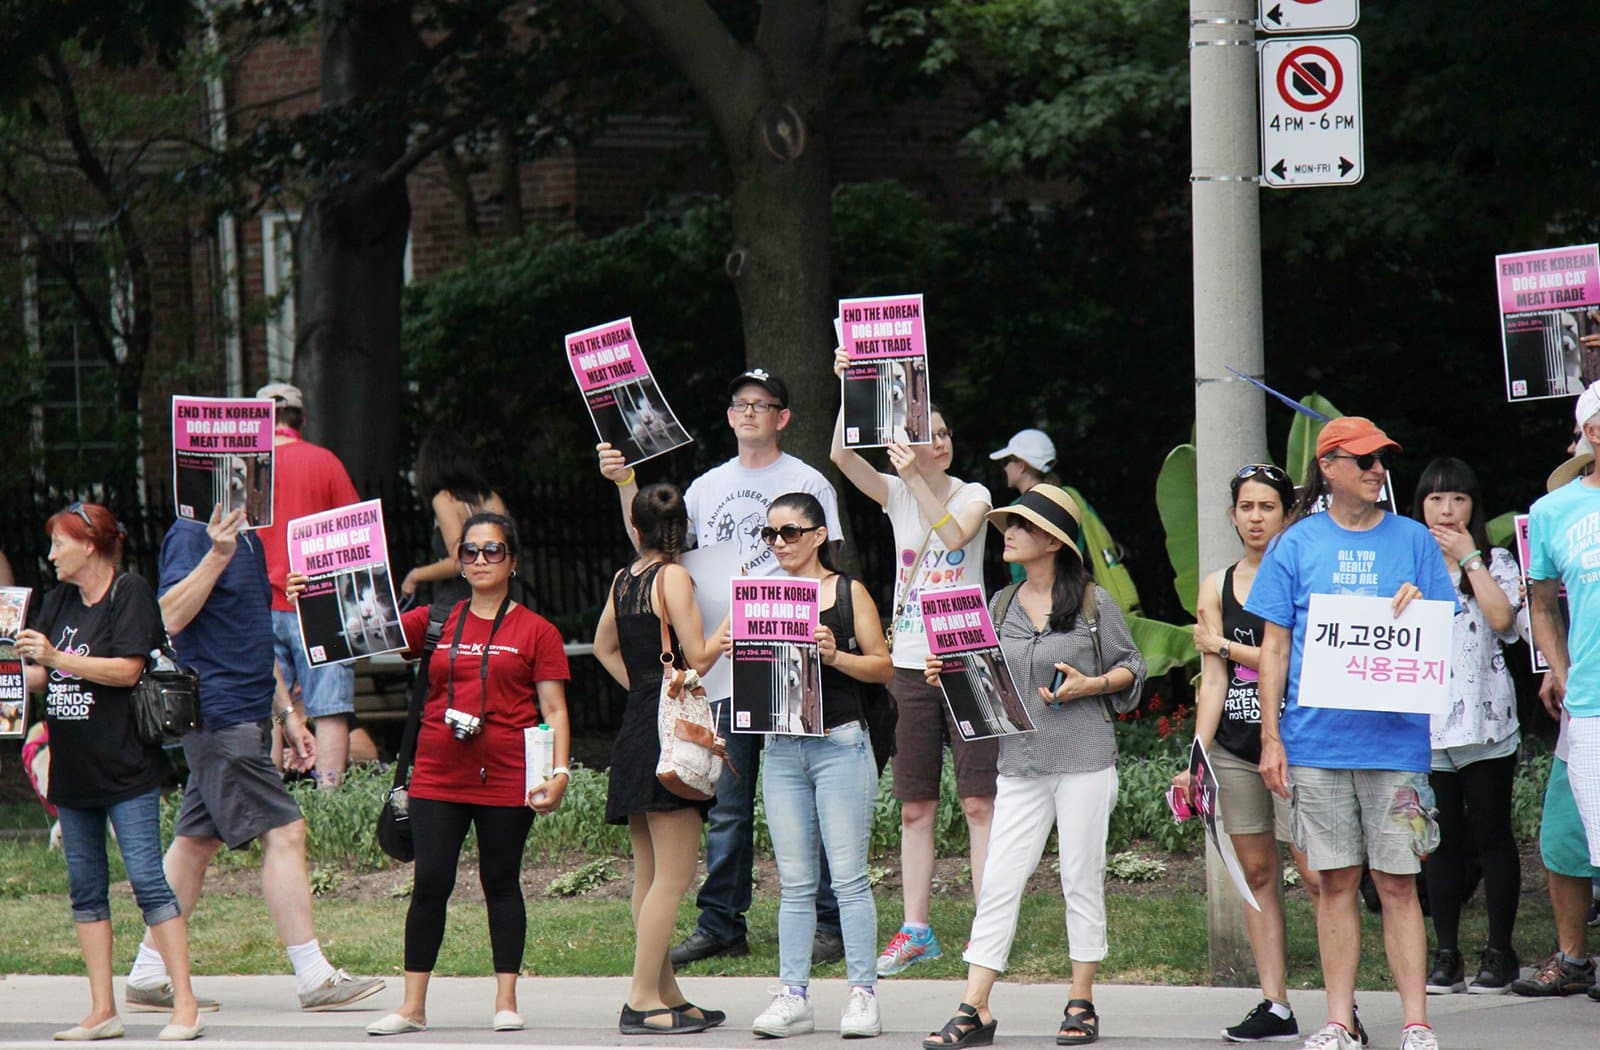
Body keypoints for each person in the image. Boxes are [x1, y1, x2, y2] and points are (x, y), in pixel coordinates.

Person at [599, 367, 847, 967]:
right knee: (726, 799)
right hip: (724, 661)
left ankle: (825, 923)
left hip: (786, 649)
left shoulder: (810, 480)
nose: (748, 411)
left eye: (761, 404)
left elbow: (832, 563)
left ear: (783, 416)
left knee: (804, 792)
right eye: (739, 402)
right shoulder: (706, 487)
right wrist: (623, 482)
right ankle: (721, 923)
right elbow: (655, 546)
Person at [125, 502, 384, 1012]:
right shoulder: (191, 533)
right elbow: (166, 617)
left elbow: (251, 634)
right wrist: (216, 556)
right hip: (219, 716)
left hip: (245, 713)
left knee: (195, 843)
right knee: (286, 831)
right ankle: (313, 975)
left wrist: (287, 713)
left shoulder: (250, 537)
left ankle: (147, 971)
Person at [1249, 417, 1455, 1050]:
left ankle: (1417, 1023)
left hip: (1397, 746)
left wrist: (1422, 602)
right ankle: (1339, 1020)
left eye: (1382, 461)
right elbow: (1275, 649)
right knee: (1333, 881)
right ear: (1330, 467)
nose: (1377, 471)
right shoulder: (1294, 544)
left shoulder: (1416, 541)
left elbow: (1443, 628)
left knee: (1398, 882)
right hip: (1315, 745)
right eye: (1364, 461)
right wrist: (1271, 738)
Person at [922, 485, 1144, 1048]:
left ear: (1050, 541)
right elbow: (983, 683)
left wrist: (1093, 684)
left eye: (1019, 526)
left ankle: (1081, 1002)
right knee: (998, 881)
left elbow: (1132, 667)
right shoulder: (997, 604)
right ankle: (975, 1009)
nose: (1007, 534)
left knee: (1080, 878)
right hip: (1019, 763)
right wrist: (946, 672)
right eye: (1008, 526)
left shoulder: (1094, 603)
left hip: (1085, 761)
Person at [343, 512, 572, 1036]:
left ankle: (507, 1000)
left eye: (493, 551)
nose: (481, 560)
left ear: (511, 561)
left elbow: (555, 710)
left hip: (507, 775)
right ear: (460, 562)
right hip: (438, 776)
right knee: (430, 883)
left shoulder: (537, 631)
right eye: (470, 552)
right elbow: (360, 632)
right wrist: (310, 595)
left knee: (500, 882)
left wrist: (559, 772)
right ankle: (412, 1007)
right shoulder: (437, 619)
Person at [830, 348, 995, 977]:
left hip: (970, 656)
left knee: (981, 801)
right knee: (915, 804)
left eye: (946, 432)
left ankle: (988, 926)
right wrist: (852, 385)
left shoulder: (973, 493)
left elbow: (953, 535)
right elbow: (844, 457)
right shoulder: (897, 491)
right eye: (928, 434)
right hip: (908, 658)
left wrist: (921, 481)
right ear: (908, 442)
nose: (942, 442)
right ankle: (917, 927)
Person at [15, 502, 202, 1041]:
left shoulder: (130, 593)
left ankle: (184, 1003)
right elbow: (40, 678)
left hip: (125, 767)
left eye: (59, 544)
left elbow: (126, 670)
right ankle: (102, 1009)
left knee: (148, 881)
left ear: (89, 544)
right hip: (72, 770)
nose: (50, 555)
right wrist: (15, 671)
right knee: (86, 889)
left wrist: (56, 658)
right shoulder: (58, 601)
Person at [1174, 464, 1324, 1042]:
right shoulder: (1216, 585)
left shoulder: (1304, 575)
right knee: (1257, 872)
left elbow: (1299, 663)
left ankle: (1344, 1005)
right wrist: (1197, 754)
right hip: (1235, 749)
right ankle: (1275, 1004)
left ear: (1287, 512)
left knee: (1318, 876)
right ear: (1232, 514)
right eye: (1246, 507)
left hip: (1297, 742)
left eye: (1268, 506)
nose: (1256, 517)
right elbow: (1213, 680)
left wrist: (1227, 644)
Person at [744, 493, 894, 1039]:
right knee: (795, 883)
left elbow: (883, 668)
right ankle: (794, 995)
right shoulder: (760, 596)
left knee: (850, 878)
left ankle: (862, 994)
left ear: (818, 535)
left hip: (838, 743)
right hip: (782, 746)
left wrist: (834, 656)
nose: (778, 543)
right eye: (770, 534)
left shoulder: (847, 592)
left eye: (788, 532)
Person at [592, 484, 724, 1036]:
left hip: (639, 724)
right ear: (681, 529)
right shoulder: (673, 576)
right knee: (672, 877)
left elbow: (603, 646)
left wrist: (646, 690)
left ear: (636, 527)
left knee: (649, 875)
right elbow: (697, 656)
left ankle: (666, 988)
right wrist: (734, 628)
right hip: (671, 733)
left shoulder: (626, 579)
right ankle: (641, 998)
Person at [1409, 458, 1523, 995]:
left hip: (1487, 723)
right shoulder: (1406, 560)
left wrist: (1468, 558)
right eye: (1435, 499)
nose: (1447, 509)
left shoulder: (1497, 560)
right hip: (1425, 729)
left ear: (1473, 505)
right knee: (1440, 839)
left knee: (1493, 834)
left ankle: (1500, 953)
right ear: (1420, 506)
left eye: (1457, 498)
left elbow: (1504, 621)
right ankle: (1446, 953)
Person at [1526, 379, 1600, 1000]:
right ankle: (1575, 958)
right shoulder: (1554, 511)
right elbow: (1541, 599)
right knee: (1568, 833)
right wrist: (1560, 663)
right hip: (1589, 700)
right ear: (1593, 433)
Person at [254, 382, 362, 787]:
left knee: (268, 705)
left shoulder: (247, 470)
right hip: (322, 600)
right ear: (301, 418)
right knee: (331, 706)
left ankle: (268, 800)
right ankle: (331, 799)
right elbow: (355, 538)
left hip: (258, 604)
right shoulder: (326, 462)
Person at [401, 430, 510, 609]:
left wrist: (416, 575)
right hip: (497, 604)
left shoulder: (446, 499)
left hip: (458, 605)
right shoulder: (492, 498)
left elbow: (460, 561)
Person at [989, 429, 1059, 585]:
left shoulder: (1020, 507)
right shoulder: (1071, 497)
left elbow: (1019, 572)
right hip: (1071, 593)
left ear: (1021, 465)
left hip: (1035, 599)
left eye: (1006, 461)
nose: (1005, 468)